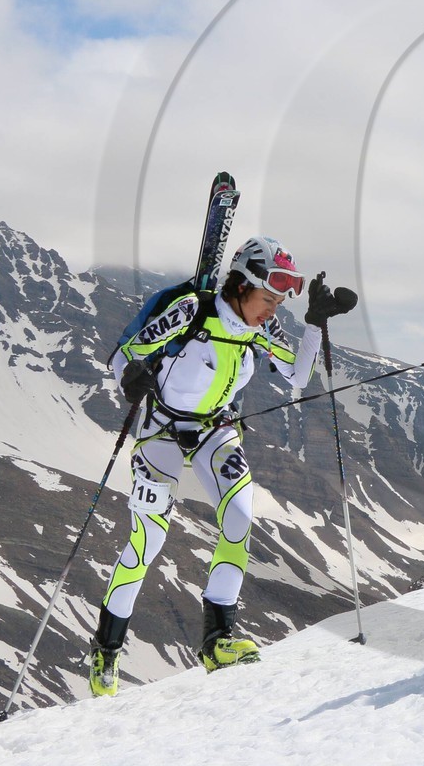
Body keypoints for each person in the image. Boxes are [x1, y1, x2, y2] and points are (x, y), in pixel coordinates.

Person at [86, 236, 356, 697]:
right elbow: (122, 356)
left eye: (278, 302)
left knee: (240, 518)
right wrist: (133, 376)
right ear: (241, 285)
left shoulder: (258, 328)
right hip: (161, 432)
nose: (272, 310)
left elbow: (298, 376)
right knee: (147, 540)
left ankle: (217, 641)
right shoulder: (190, 310)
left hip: (216, 430)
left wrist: (314, 323)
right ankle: (105, 653)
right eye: (267, 298)